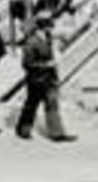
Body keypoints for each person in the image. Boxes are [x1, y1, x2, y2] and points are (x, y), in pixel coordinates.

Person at [16, 13, 75, 142]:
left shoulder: (47, 37)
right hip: (36, 80)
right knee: (31, 105)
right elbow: (26, 64)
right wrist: (46, 65)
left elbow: (57, 38)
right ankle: (23, 129)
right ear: (43, 26)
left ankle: (57, 133)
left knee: (52, 104)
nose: (51, 28)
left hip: (49, 79)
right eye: (49, 26)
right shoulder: (31, 42)